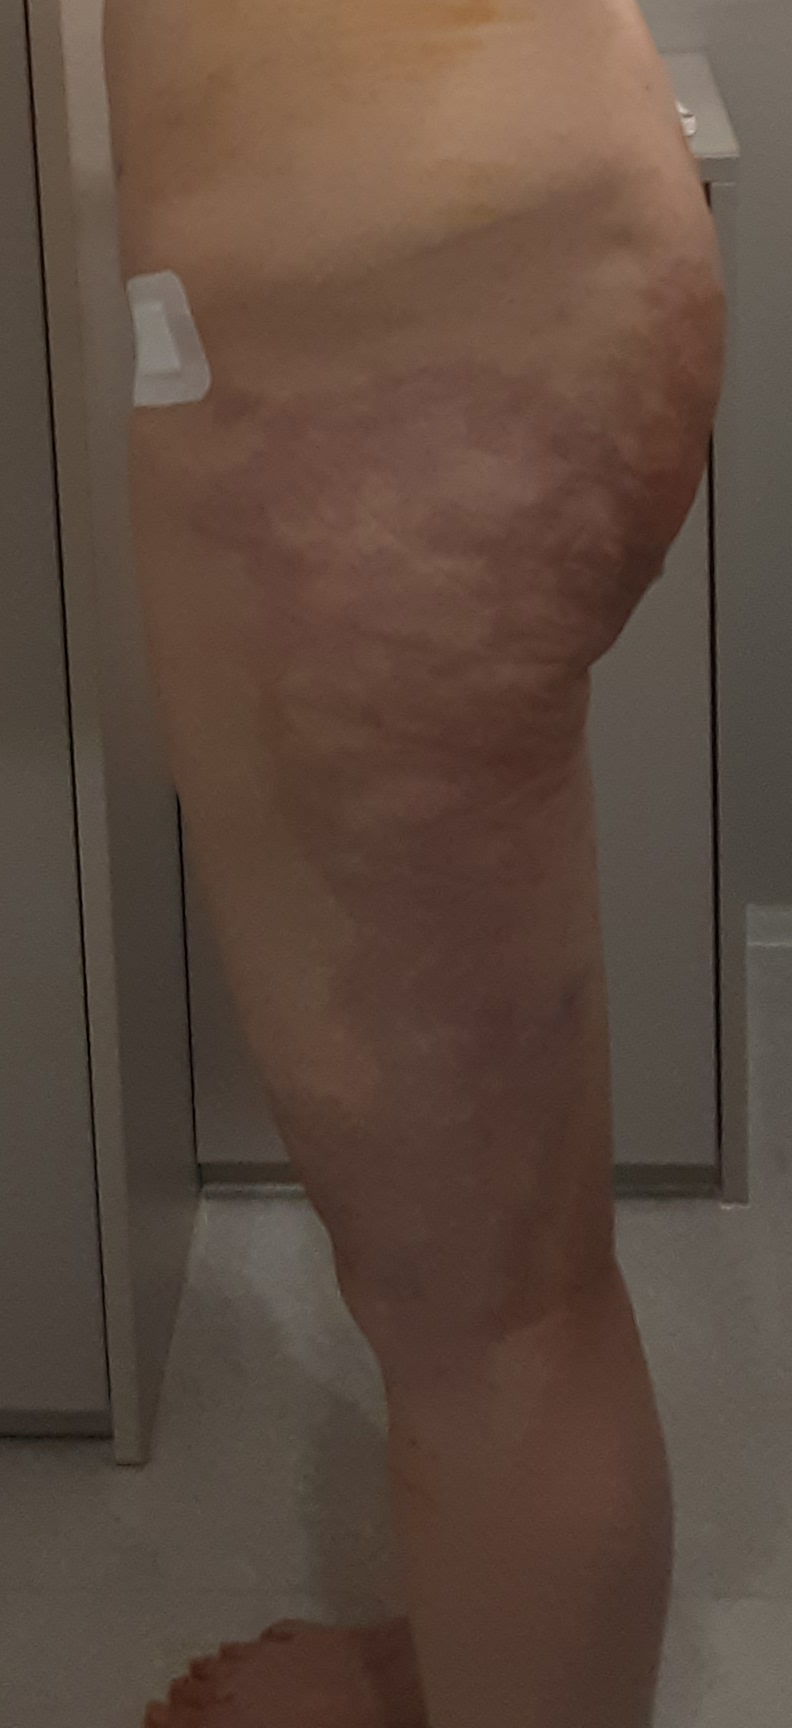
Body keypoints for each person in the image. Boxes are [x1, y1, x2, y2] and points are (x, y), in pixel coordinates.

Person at [103, 2, 725, 1723]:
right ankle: (488, 1642)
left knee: (484, 1310)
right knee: (492, 1279)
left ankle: (515, 1661)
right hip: (475, 278)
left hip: (383, 380)